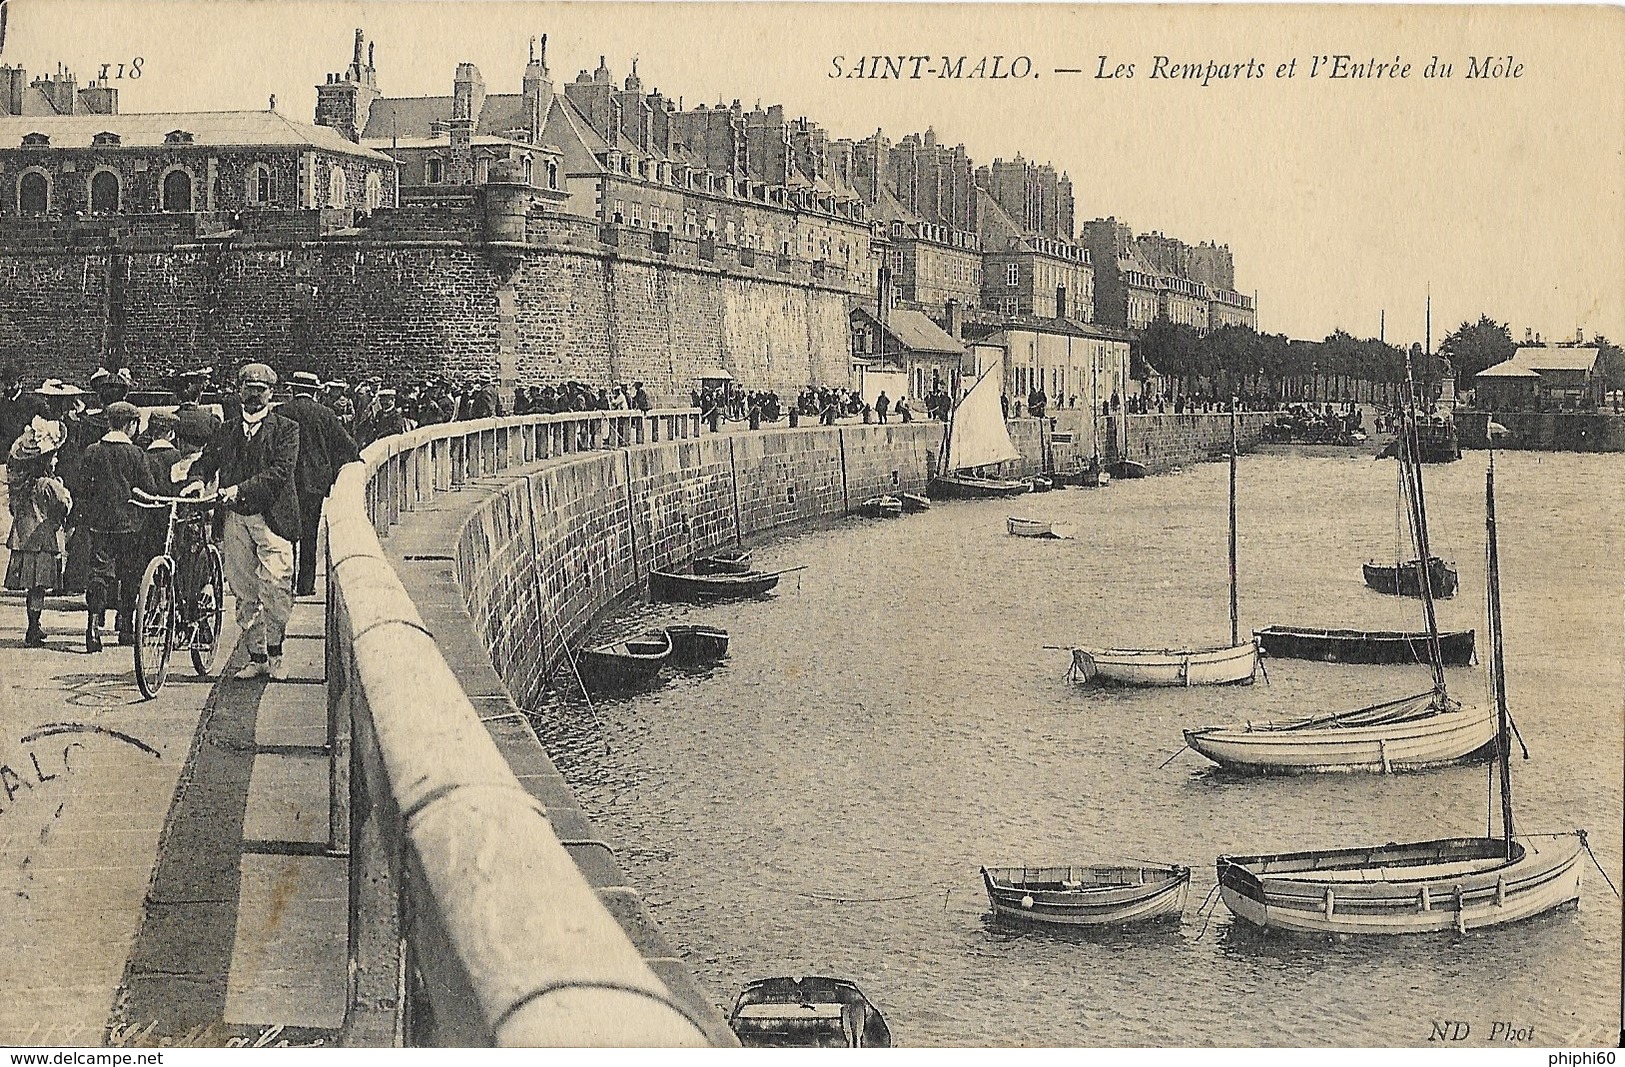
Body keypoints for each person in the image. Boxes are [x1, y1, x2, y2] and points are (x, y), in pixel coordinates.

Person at [185, 364, 301, 681]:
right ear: (239, 392)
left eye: (260, 391)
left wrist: (239, 489)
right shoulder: (227, 431)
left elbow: (280, 472)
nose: (253, 397)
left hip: (272, 518)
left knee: (276, 585)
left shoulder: (286, 429)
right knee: (244, 589)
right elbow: (207, 460)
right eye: (248, 390)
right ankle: (257, 657)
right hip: (235, 519)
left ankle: (277, 655)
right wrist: (197, 480)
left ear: (270, 394)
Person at [75, 400, 156, 652]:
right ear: (131, 424)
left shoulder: (92, 451)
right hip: (130, 525)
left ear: (108, 423)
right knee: (129, 575)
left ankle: (93, 626)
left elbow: (83, 488)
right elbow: (149, 489)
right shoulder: (136, 454)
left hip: (99, 525)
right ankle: (125, 626)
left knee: (99, 574)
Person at [278, 371, 361, 598]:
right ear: (315, 392)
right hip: (314, 484)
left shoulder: (281, 412)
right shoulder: (325, 414)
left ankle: (283, 582)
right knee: (309, 533)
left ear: (292, 390)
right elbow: (347, 445)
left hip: (284, 483)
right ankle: (305, 585)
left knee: (282, 533)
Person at [5, 413, 72, 647]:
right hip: (43, 541)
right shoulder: (50, 485)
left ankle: (33, 625)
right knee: (39, 588)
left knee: (32, 588)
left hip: (24, 539)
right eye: (53, 458)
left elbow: (15, 510)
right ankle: (34, 628)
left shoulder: (22, 486)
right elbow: (63, 506)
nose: (55, 461)